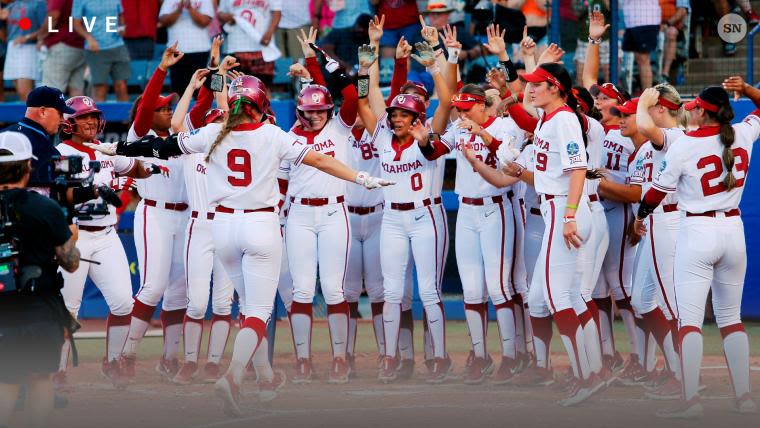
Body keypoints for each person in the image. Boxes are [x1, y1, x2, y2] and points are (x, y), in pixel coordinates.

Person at [88, 74, 390, 417]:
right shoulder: (273, 134)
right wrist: (362, 177)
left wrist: (119, 148)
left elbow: (164, 146)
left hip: (222, 226)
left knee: (247, 307)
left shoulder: (213, 132)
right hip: (259, 224)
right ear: (260, 105)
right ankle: (232, 377)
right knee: (258, 312)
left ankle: (264, 376)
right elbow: (320, 161)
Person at [633, 79, 760, 418]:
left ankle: (690, 402)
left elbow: (656, 193)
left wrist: (641, 214)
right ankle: (745, 399)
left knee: (689, 322)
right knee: (731, 320)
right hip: (733, 229)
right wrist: (748, 90)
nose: (691, 113)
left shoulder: (685, 145)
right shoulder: (743, 133)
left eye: (695, 110)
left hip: (697, 230)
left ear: (703, 113)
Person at [505, 62, 606, 405]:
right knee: (554, 297)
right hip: (558, 206)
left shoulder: (563, 118)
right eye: (529, 84)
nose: (530, 89)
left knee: (557, 297)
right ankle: (593, 370)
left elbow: (578, 169)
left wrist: (569, 215)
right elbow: (550, 174)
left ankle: (585, 376)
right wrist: (520, 171)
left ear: (555, 88)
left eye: (537, 84)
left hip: (566, 209)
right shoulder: (549, 119)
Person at [357, 32, 454, 383]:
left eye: (403, 113)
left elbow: (445, 104)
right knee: (392, 291)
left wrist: (433, 67)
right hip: (393, 216)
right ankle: (390, 358)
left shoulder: (428, 131)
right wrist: (365, 67)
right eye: (395, 113)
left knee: (428, 290)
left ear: (416, 115)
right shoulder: (382, 135)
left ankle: (440, 357)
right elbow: (365, 105)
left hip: (426, 214)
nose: (396, 118)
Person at [54, 96, 157, 389]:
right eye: (83, 117)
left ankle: (113, 362)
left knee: (124, 302)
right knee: (68, 308)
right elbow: (60, 195)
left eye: (93, 116)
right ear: (68, 122)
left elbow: (136, 168)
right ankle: (56, 369)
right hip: (74, 235)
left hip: (107, 235)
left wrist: (145, 170)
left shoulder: (106, 149)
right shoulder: (61, 152)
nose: (90, 121)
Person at [278, 30, 359, 384]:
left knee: (335, 288)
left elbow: (351, 94)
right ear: (299, 110)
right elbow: (281, 184)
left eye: (320, 111)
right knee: (302, 290)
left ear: (329, 110)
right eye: (308, 111)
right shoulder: (289, 137)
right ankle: (303, 360)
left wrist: (317, 57)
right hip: (297, 214)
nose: (314, 116)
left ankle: (340, 358)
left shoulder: (341, 127)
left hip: (333, 212)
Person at [0, 132, 80, 428]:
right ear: (27, 167)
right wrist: (71, 236)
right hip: (39, 310)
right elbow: (71, 263)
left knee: (6, 382)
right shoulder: (43, 207)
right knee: (40, 379)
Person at [118, 44, 189, 382]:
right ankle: (126, 354)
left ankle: (169, 358)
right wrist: (160, 69)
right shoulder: (140, 135)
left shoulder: (180, 136)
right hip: (155, 213)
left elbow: (198, 106)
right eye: (164, 107)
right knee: (153, 285)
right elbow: (145, 105)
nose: (167, 110)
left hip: (184, 216)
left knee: (179, 291)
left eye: (169, 107)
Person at [448, 83, 526, 385]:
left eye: (467, 108)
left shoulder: (505, 125)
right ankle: (480, 356)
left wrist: (484, 135)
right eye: (459, 109)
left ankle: (511, 355)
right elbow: (435, 148)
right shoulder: (457, 128)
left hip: (496, 208)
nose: (462, 114)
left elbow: (509, 161)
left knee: (498, 287)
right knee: (472, 290)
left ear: (482, 105)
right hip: (466, 210)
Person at [167, 61, 237, 386]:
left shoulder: (236, 146)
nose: (219, 125)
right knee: (196, 303)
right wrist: (192, 90)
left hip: (227, 225)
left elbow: (224, 103)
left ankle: (212, 362)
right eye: (214, 121)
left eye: (223, 122)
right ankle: (190, 360)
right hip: (199, 225)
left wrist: (220, 72)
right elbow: (176, 122)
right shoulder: (193, 149)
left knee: (223, 302)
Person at [631, 84, 686, 400]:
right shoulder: (649, 147)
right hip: (650, 222)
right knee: (642, 301)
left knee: (671, 304)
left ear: (661, 108)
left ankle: (683, 374)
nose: (644, 109)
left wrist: (645, 103)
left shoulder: (676, 137)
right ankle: (675, 367)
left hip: (669, 222)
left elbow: (646, 126)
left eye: (649, 105)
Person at [1, 86, 76, 188]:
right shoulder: (44, 148)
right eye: (60, 114)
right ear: (42, 111)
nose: (63, 120)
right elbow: (53, 194)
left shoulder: (3, 134)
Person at [71, 0, 131, 101]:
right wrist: (89, 38)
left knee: (122, 86)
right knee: (100, 88)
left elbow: (120, 15)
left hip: (118, 46)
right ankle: (97, 116)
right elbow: (76, 23)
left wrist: (122, 27)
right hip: (96, 49)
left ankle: (126, 117)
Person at [218, 0, 280, 87]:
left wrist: (269, 33)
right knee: (237, 87)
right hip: (236, 46)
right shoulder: (216, 69)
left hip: (262, 48)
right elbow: (220, 14)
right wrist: (227, 17)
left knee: (263, 88)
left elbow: (277, 12)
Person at [159, 0, 214, 94]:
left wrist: (190, 8)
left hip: (200, 50)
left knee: (201, 91)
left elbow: (205, 21)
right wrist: (179, 8)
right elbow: (163, 21)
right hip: (176, 51)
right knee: (177, 91)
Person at [38, 0, 86, 96]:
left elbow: (54, 16)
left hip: (62, 45)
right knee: (77, 91)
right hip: (80, 45)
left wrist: (41, 36)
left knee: (51, 93)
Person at [0, 0, 46, 101]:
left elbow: (46, 27)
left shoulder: (39, 3)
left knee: (24, 92)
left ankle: (32, 116)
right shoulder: (14, 4)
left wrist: (28, 37)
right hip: (12, 47)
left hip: (29, 48)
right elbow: (3, 14)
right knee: (22, 94)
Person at [622, 0, 661, 92]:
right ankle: (644, 93)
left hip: (646, 21)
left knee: (644, 60)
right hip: (630, 21)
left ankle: (648, 95)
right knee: (639, 60)